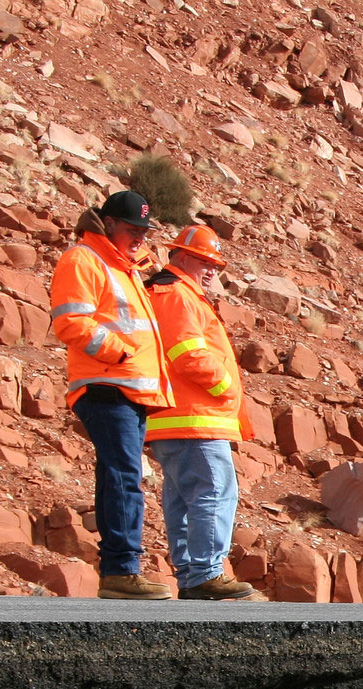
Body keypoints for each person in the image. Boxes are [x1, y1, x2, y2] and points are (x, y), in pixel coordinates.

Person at [48, 190, 175, 600]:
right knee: (124, 476)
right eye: (133, 229)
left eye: (144, 230)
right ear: (110, 224)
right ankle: (122, 569)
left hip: (128, 388)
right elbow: (71, 323)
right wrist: (118, 352)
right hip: (106, 384)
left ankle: (118, 570)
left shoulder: (124, 267)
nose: (140, 237)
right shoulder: (83, 259)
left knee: (118, 474)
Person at [144, 225, 264, 601]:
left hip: (176, 418)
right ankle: (206, 572)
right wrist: (224, 387)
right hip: (194, 417)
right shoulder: (178, 295)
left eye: (216, 264)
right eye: (204, 261)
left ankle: (194, 575)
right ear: (180, 256)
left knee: (184, 499)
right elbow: (188, 353)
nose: (212, 270)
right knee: (213, 491)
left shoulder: (171, 292)